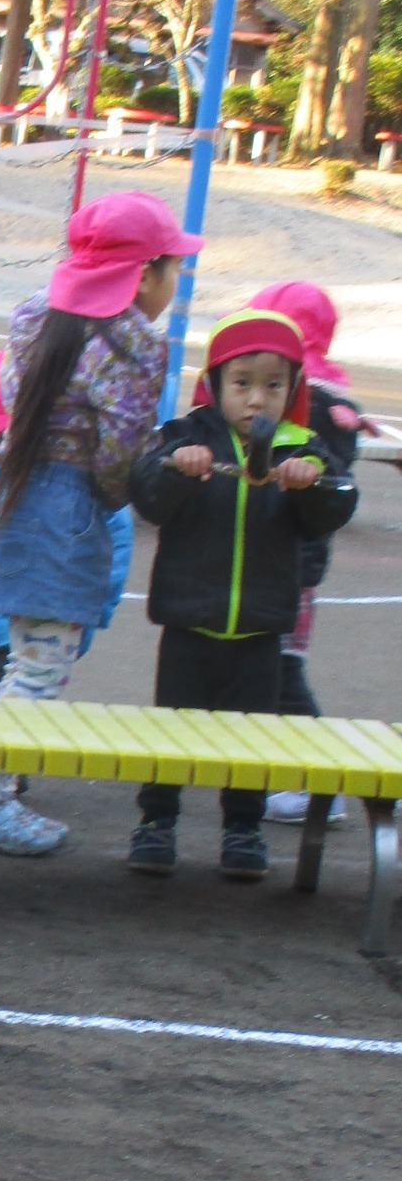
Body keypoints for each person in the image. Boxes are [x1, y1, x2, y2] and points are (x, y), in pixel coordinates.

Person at [0, 190, 199, 858]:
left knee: (26, 662)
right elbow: (120, 451)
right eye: (174, 270)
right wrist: (119, 498)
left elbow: (11, 397)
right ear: (144, 274)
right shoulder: (132, 341)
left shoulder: (33, 313)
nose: (174, 284)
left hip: (15, 492)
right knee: (40, 672)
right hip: (69, 506)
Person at [125, 308, 356, 880]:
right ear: (215, 384)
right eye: (243, 384)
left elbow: (336, 506)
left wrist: (309, 483)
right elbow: (147, 496)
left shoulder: (302, 448)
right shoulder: (184, 437)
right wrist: (177, 470)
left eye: (274, 385)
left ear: (293, 390)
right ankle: (157, 821)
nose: (258, 400)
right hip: (188, 618)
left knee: (251, 737)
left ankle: (243, 828)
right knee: (172, 730)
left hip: (260, 626)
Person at [0, 351, 132, 693]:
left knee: (18, 692)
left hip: (46, 610)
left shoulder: (68, 480)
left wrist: (100, 603)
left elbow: (115, 538)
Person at [249, 281, 363, 826]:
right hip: (301, 564)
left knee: (281, 669)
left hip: (282, 562)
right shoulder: (336, 406)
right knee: (273, 666)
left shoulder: (305, 404)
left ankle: (324, 778)